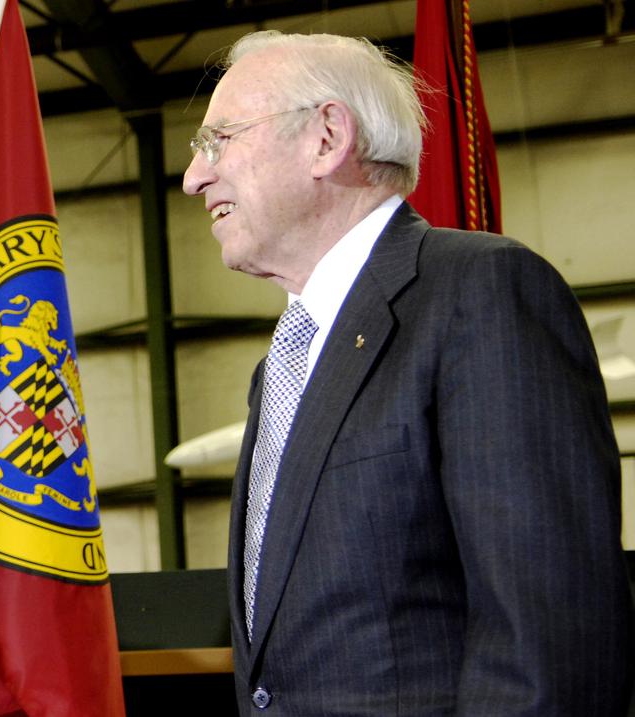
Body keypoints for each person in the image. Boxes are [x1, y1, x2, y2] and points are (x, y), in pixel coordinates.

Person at [182, 30, 632, 714]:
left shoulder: (481, 294)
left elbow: (549, 645)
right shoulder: (280, 366)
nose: (194, 177)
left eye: (220, 140)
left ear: (328, 136)